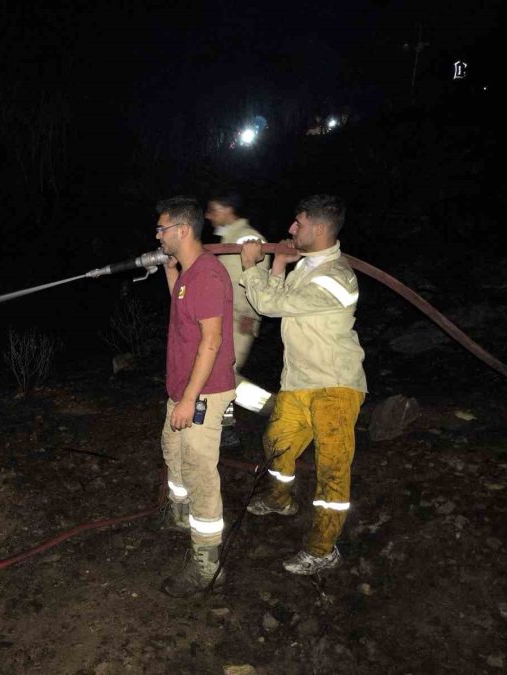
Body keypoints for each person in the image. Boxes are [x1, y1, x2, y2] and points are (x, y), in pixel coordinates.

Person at [239, 194, 367, 575]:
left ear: (321, 228)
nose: (291, 229)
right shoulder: (308, 269)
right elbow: (281, 297)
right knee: (277, 445)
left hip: (335, 385)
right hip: (297, 382)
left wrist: (252, 267)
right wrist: (278, 263)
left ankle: (322, 548)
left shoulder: (338, 277)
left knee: (332, 469)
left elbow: (270, 305)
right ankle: (280, 500)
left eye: (299, 224)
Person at [154, 196, 237, 597]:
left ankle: (207, 565)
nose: (157, 235)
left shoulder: (206, 275)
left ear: (183, 230)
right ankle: (180, 517)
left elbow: (212, 340)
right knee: (174, 451)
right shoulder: (189, 274)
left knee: (201, 472)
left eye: (162, 229)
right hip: (184, 388)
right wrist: (170, 273)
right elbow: (184, 311)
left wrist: (190, 399)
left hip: (203, 392)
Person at [204, 193, 275, 448]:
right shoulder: (229, 238)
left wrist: (248, 314)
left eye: (213, 209)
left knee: (222, 373)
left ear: (228, 207)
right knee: (215, 373)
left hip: (237, 317)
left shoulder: (246, 238)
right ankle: (223, 428)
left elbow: (251, 279)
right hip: (223, 317)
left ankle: (274, 409)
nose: (209, 216)